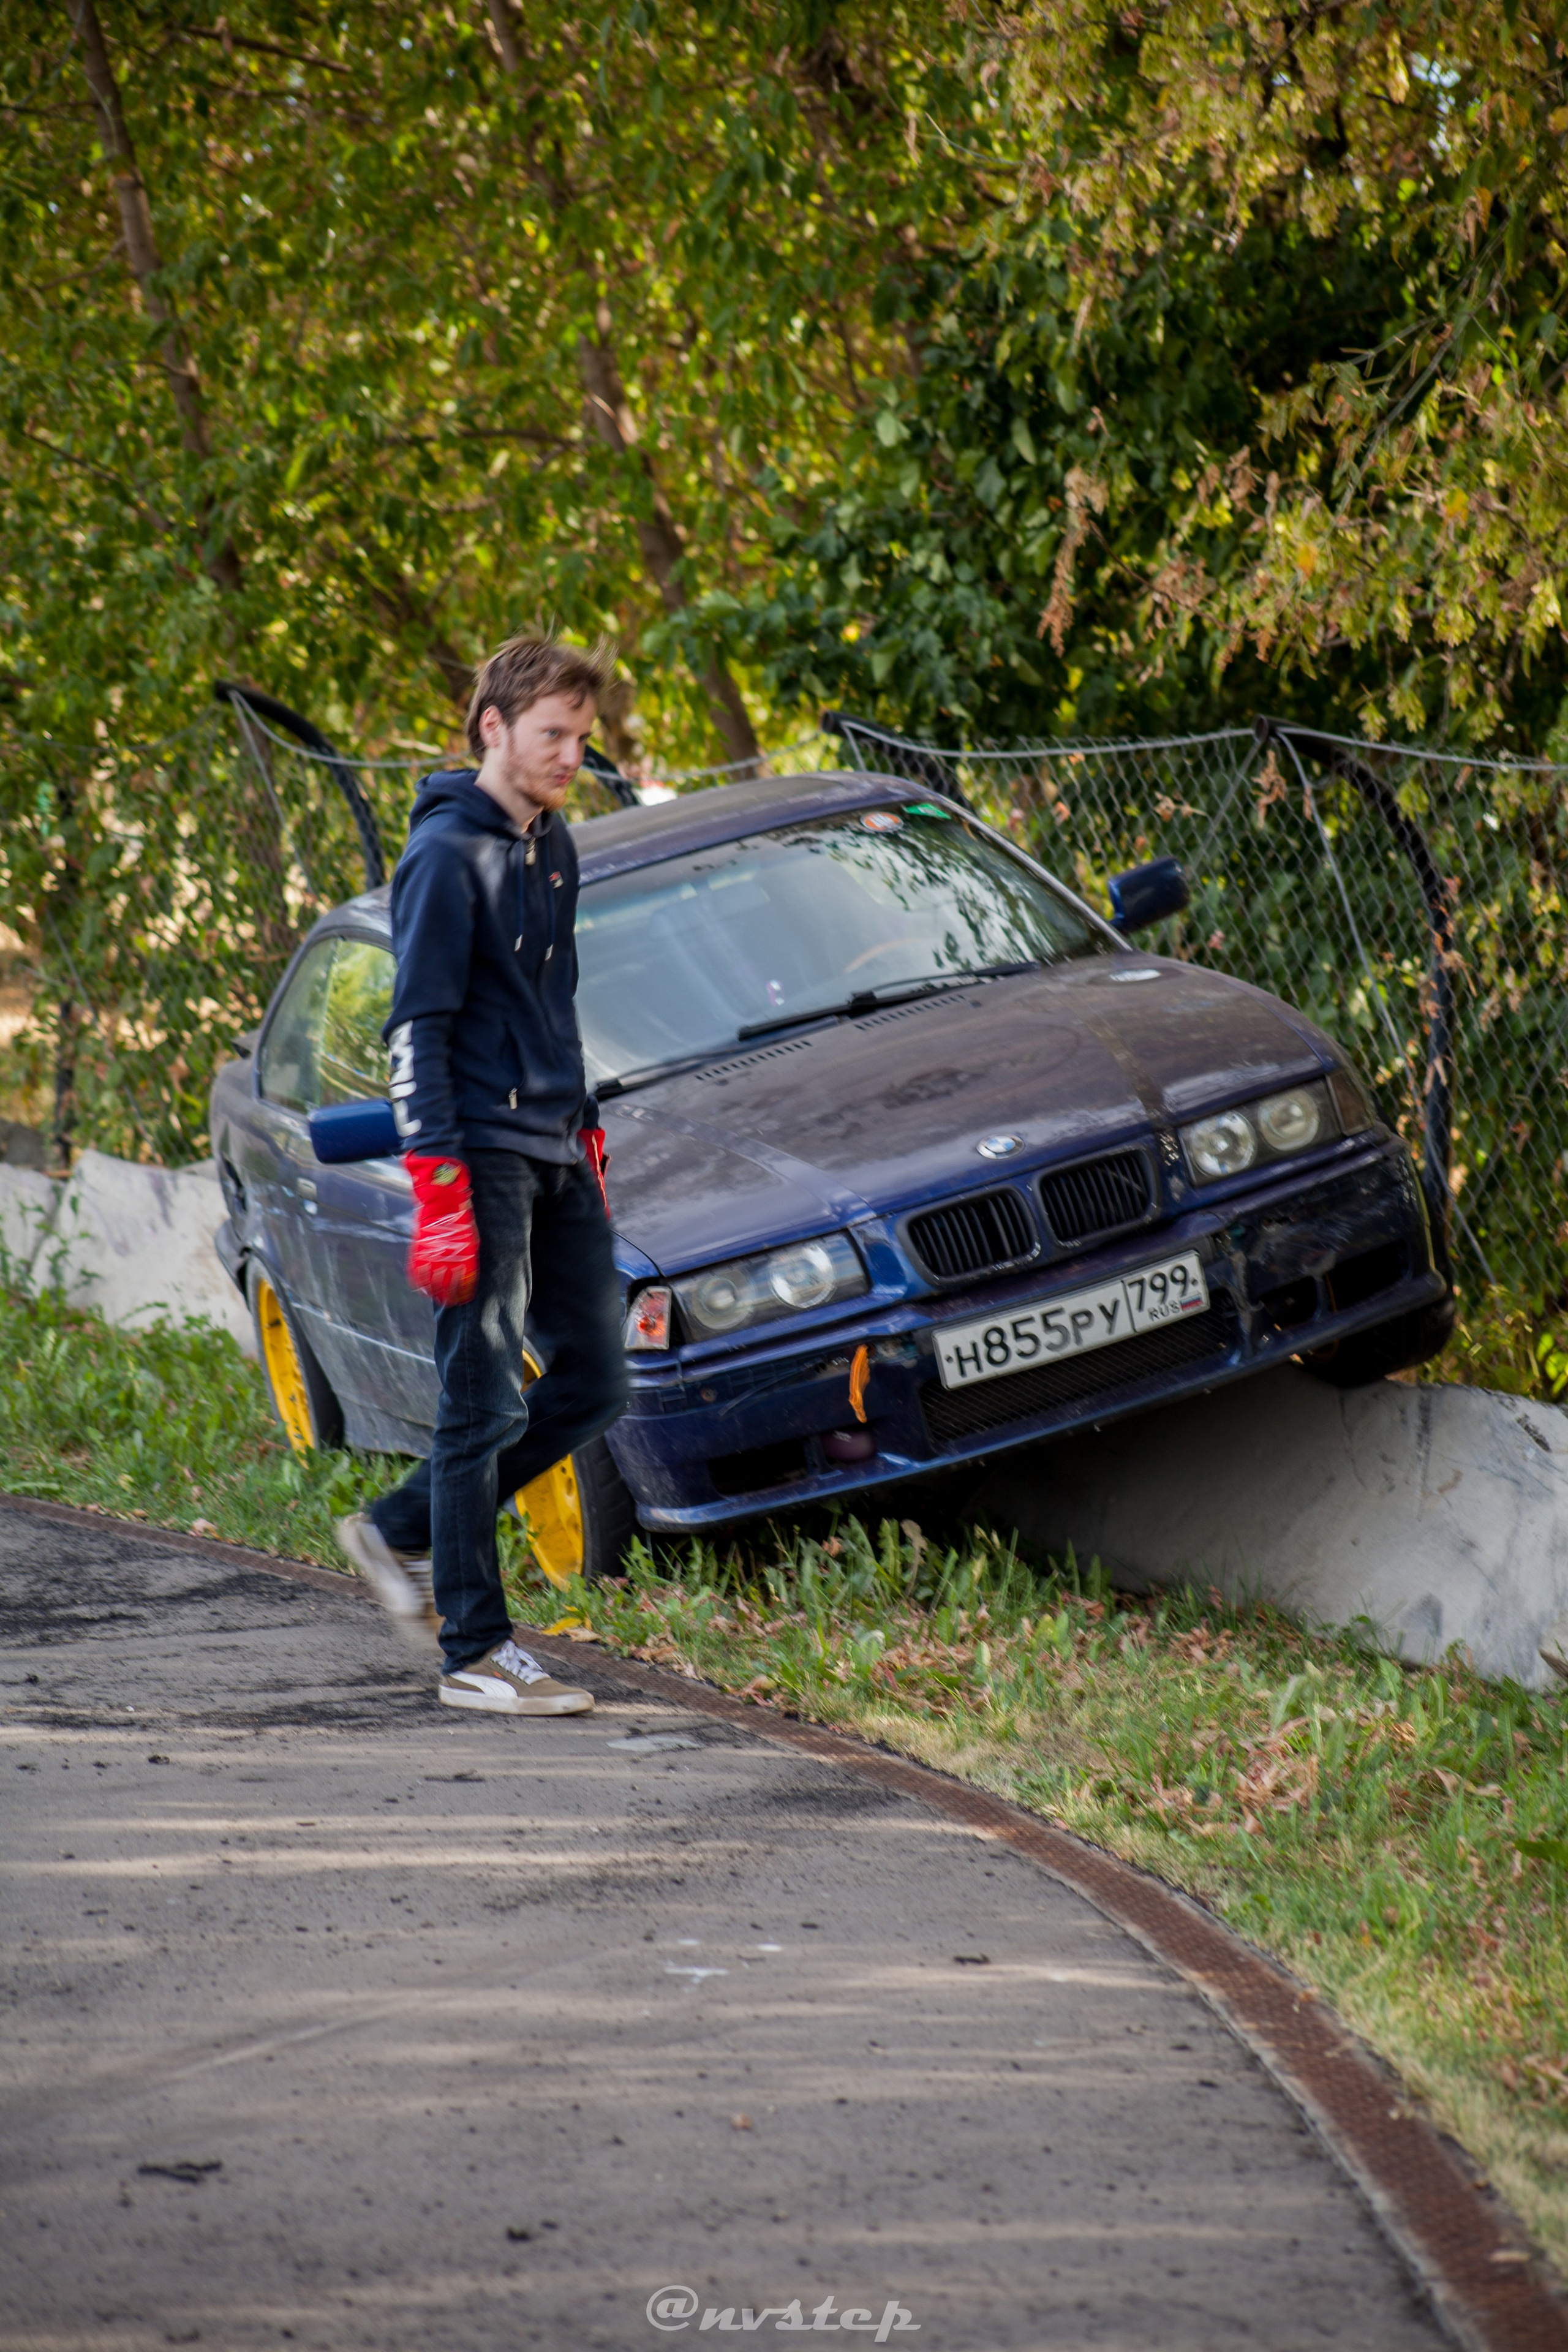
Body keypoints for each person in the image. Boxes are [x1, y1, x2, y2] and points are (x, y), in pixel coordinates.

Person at [335, 636, 629, 1716]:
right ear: (493, 726)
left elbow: (553, 1006)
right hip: (480, 1157)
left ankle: (401, 1527)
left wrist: (583, 1129)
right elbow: (415, 1031)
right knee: (482, 1400)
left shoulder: (554, 845)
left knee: (596, 1379)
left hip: (556, 1147)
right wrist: (441, 1188)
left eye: (582, 737)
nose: (570, 756)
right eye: (553, 734)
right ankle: (476, 1651)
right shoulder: (445, 856)